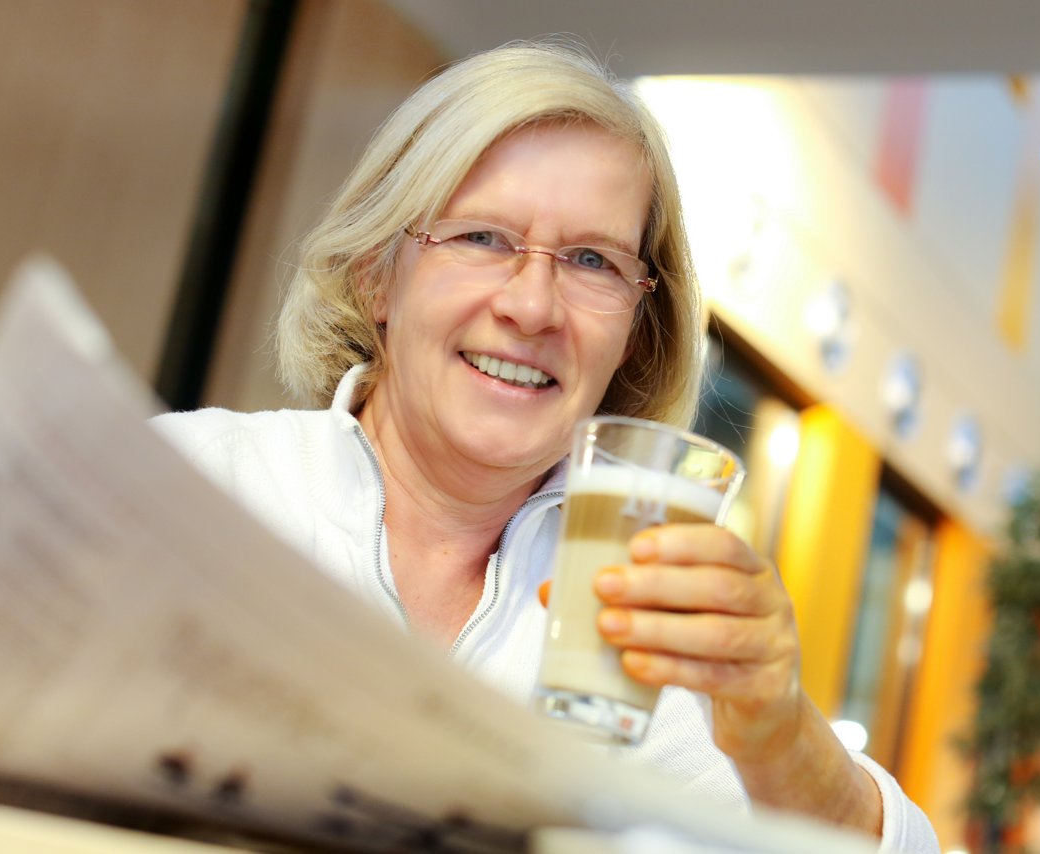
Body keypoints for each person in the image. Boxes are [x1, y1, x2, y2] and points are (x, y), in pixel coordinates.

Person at [154, 40, 939, 852]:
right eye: (483, 239)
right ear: (376, 276)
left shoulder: (650, 631)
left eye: (591, 260)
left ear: (637, 331)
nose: (532, 307)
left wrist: (782, 737)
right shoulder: (184, 482)